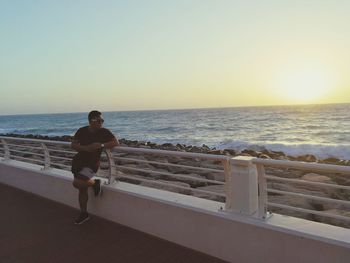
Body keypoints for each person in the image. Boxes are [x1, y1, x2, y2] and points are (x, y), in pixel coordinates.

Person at [71, 110, 119, 225]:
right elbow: (73, 145)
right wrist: (85, 148)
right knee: (82, 188)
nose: (101, 122)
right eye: (98, 120)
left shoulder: (104, 132)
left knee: (77, 183)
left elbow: (116, 142)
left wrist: (101, 145)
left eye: (102, 120)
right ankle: (84, 213)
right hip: (78, 162)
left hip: (92, 164)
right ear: (91, 121)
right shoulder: (82, 131)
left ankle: (94, 183)